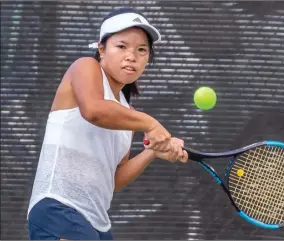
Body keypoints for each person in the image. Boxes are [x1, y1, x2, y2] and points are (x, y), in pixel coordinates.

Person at [27, 8, 188, 240]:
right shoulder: (84, 66)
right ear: (101, 48)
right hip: (57, 208)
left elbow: (112, 179)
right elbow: (93, 110)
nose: (131, 56)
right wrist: (151, 124)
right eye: (122, 46)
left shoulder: (126, 114)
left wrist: (151, 152)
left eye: (141, 50)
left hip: (98, 224)